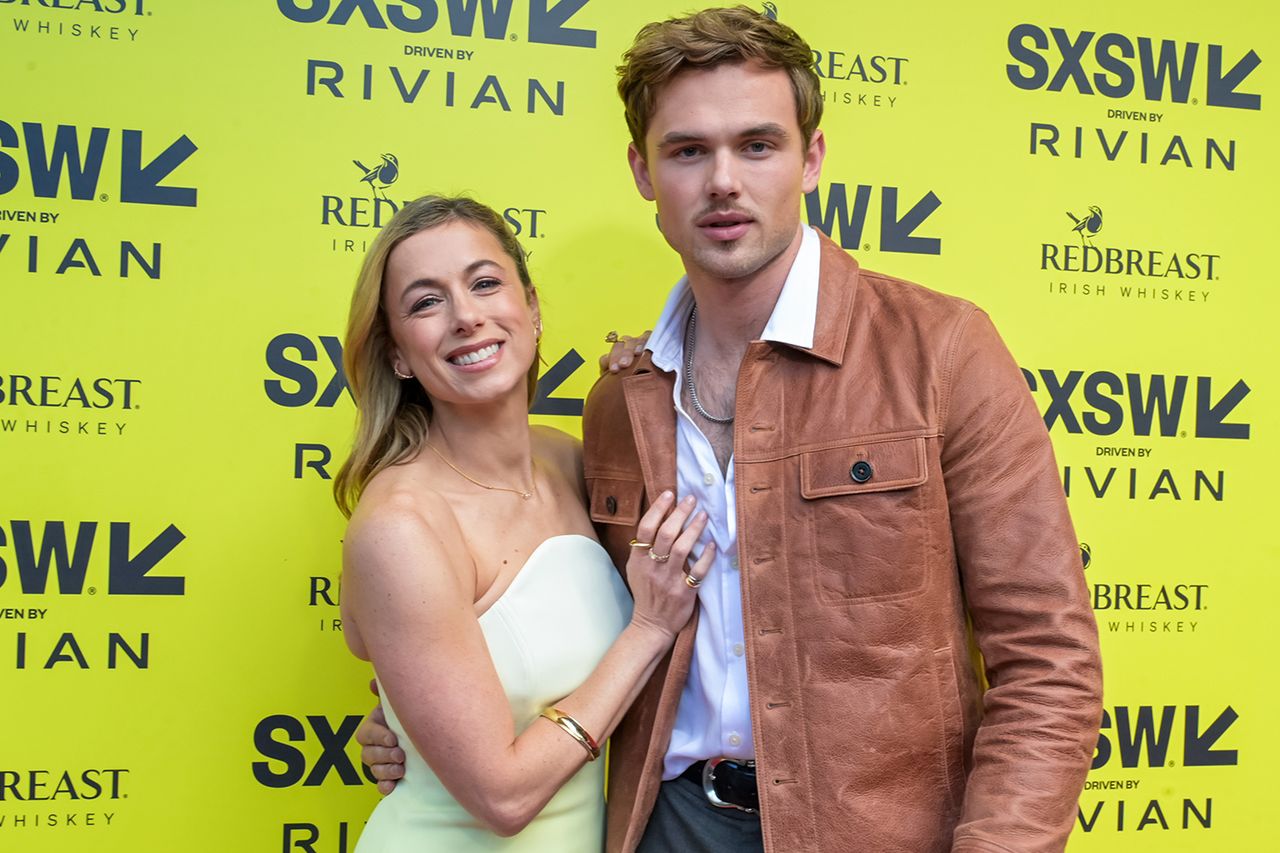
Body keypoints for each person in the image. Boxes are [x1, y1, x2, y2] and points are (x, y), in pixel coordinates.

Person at [361, 7, 1103, 853]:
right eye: (688, 151)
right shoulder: (617, 405)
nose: (723, 181)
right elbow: (522, 610)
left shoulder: (942, 351)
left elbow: (1049, 662)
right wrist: (415, 727)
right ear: (644, 172)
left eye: (757, 145)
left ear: (811, 157)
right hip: (661, 826)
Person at [334, 194, 716, 851]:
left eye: (484, 283)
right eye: (427, 302)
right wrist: (648, 628)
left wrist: (642, 386)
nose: (466, 316)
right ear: (398, 354)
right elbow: (501, 796)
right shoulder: (401, 524)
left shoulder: (569, 459)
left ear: (533, 310)